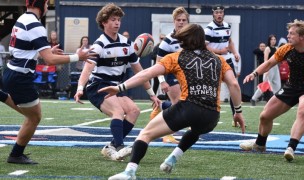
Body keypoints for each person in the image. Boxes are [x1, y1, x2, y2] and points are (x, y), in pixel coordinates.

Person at [101, 24, 245, 179]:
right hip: (212, 116)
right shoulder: (219, 60)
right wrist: (237, 111)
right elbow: (234, 84)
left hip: (189, 107)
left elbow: (147, 73)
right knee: (196, 130)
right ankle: (173, 158)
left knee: (145, 134)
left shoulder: (176, 57)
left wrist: (120, 87)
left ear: (184, 40)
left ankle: (130, 172)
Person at [2, 0, 96, 164]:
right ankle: (16, 154)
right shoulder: (35, 25)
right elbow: (51, 60)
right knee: (34, 117)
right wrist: (77, 57)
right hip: (20, 77)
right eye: (46, 3)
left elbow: (25, 51)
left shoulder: (22, 19)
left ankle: (2, 95)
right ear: (41, 4)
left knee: (31, 114)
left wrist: (45, 52)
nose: (47, 6)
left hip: (12, 71)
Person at [74, 3, 160, 162]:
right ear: (104, 23)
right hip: (98, 86)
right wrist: (80, 88)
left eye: (118, 19)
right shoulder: (99, 45)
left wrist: (152, 95)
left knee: (134, 111)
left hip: (116, 86)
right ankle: (120, 147)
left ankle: (111, 146)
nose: (117, 23)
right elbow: (87, 69)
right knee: (118, 112)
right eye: (113, 19)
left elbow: (140, 72)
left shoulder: (126, 43)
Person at [240, 19, 304, 162]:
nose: (288, 36)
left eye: (291, 34)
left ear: (301, 37)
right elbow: (269, 63)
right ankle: (260, 145)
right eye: (288, 33)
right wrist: (254, 74)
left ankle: (291, 147)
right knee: (265, 116)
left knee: (302, 111)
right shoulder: (287, 49)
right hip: (292, 86)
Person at [150, 6, 189, 144]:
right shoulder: (168, 40)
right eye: (178, 20)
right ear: (174, 21)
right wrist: (162, 81)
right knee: (178, 105)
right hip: (171, 76)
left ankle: (161, 106)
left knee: (185, 105)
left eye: (184, 20)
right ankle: (167, 134)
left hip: (187, 76)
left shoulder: (190, 38)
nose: (181, 22)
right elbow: (158, 63)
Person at [204, 6, 240, 123]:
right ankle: (208, 117)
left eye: (221, 12)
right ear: (213, 14)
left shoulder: (227, 25)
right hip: (214, 61)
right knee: (212, 89)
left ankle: (236, 115)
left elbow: (229, 41)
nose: (219, 14)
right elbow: (205, 46)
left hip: (228, 61)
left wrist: (235, 52)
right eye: (217, 12)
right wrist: (220, 52)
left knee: (234, 86)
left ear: (223, 13)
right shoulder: (209, 28)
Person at [250, 35, 281, 106]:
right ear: (269, 41)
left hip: (275, 67)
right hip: (269, 68)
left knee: (277, 85)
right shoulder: (267, 48)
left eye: (274, 39)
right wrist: (266, 70)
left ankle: (277, 100)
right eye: (272, 39)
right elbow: (265, 60)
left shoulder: (276, 48)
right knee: (265, 85)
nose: (273, 41)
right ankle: (253, 98)